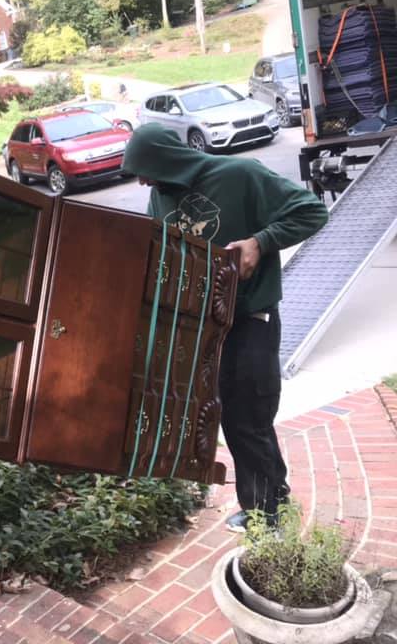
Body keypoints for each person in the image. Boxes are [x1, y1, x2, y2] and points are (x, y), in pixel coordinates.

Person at [121, 124, 328, 532]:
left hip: (252, 320)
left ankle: (267, 516)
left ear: (168, 160)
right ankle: (269, 501)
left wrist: (261, 241)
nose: (142, 180)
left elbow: (312, 211)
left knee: (248, 417)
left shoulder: (240, 175)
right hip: (204, 329)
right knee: (234, 417)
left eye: (145, 170)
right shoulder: (159, 196)